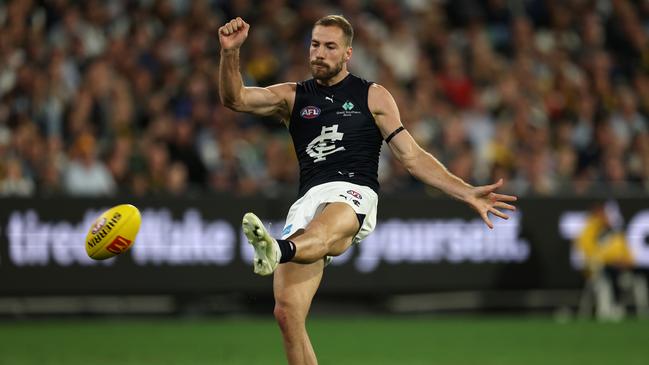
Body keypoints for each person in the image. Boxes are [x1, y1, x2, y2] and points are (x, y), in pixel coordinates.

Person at [219, 15, 517, 364]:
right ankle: (279, 249)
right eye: (315, 44)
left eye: (330, 47)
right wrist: (230, 54)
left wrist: (465, 191)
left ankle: (279, 248)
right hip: (309, 199)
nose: (319, 53)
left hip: (353, 191)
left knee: (323, 232)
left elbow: (412, 156)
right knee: (287, 315)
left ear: (347, 53)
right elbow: (235, 99)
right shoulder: (293, 96)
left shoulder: (372, 94)